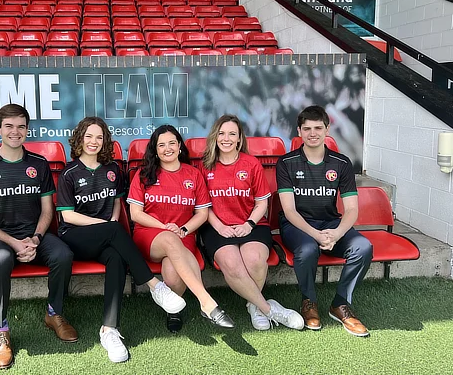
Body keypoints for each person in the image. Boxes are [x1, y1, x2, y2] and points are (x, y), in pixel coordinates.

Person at [56, 117, 186, 363]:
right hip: (74, 236)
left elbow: (116, 203)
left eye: (99, 137)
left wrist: (110, 224)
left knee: (116, 257)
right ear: (80, 139)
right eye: (88, 136)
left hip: (106, 237)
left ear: (105, 140)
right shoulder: (69, 173)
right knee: (115, 230)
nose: (94, 142)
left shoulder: (113, 169)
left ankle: (109, 330)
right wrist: (107, 226)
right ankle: (155, 286)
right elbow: (67, 215)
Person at [0, 104, 77, 369]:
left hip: (34, 235)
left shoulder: (38, 164)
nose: (15, 132)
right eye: (9, 126)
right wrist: (14, 243)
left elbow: (48, 210)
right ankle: (0, 331)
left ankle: (54, 313)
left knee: (63, 254)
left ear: (28, 130)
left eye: (21, 126)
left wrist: (36, 238)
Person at [200, 115, 304, 331]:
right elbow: (203, 206)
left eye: (232, 134)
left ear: (239, 139)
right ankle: (268, 308)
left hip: (252, 224)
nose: (226, 138)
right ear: (215, 137)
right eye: (222, 133)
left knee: (255, 260)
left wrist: (248, 224)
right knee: (232, 265)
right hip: (217, 227)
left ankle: (253, 306)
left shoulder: (251, 163)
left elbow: (262, 202)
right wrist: (220, 227)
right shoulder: (205, 166)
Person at [276, 105, 373, 337]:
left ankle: (340, 304)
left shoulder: (341, 163)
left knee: (363, 247)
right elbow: (289, 210)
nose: (313, 133)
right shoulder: (287, 162)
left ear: (327, 129)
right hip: (296, 226)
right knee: (308, 248)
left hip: (331, 224)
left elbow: (351, 210)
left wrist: (337, 233)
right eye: (307, 128)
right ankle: (309, 301)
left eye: (318, 128)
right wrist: (317, 235)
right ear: (299, 131)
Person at [128, 124, 235, 332]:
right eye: (161, 145)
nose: (167, 148)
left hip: (183, 235)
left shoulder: (193, 175)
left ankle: (173, 311)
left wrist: (184, 230)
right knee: (169, 239)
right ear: (155, 150)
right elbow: (135, 214)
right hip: (149, 235)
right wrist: (164, 227)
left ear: (179, 146)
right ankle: (207, 302)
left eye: (171, 143)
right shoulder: (144, 174)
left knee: (173, 274)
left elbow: (202, 214)